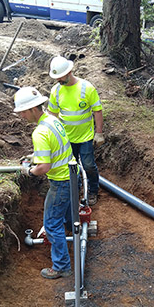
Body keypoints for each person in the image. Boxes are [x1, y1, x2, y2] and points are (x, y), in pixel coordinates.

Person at [14, 86, 77, 279]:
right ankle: (71, 235)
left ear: (33, 109)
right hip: (71, 174)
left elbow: (44, 168)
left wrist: (30, 172)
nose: (22, 116)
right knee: (66, 214)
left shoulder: (39, 132)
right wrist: (36, 155)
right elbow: (55, 148)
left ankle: (61, 266)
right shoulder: (52, 120)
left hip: (61, 181)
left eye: (23, 111)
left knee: (51, 223)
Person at [48, 55, 104, 206]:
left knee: (88, 166)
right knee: (70, 168)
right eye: (56, 78)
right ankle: (76, 190)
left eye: (61, 77)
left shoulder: (87, 88)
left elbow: (97, 111)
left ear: (69, 71)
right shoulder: (56, 91)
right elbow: (52, 115)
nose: (59, 80)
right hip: (66, 138)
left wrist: (99, 133)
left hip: (85, 137)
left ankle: (93, 190)